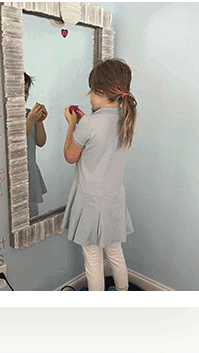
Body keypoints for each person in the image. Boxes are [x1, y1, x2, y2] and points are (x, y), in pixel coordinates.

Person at [61, 58, 137, 291]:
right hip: (114, 199)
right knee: (115, 252)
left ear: (100, 91)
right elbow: (101, 141)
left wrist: (72, 124)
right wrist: (85, 122)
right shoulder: (126, 119)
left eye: (91, 92)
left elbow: (70, 156)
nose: (90, 97)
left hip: (91, 204)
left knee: (93, 260)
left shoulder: (89, 125)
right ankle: (123, 295)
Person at [24, 72, 47, 218]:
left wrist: (39, 120)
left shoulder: (28, 114)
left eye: (26, 91)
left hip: (30, 170)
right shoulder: (4, 117)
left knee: (31, 214)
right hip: (16, 174)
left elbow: (41, 142)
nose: (24, 95)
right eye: (19, 91)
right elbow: (15, 143)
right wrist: (30, 120)